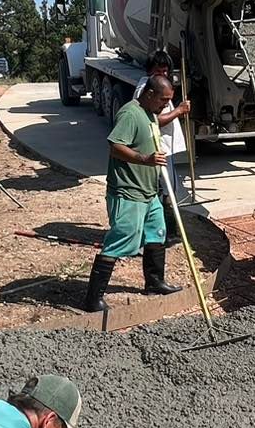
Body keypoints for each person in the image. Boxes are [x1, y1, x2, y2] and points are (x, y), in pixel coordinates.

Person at [83, 74, 181, 312]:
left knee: (157, 235)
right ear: (149, 94)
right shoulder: (130, 114)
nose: (165, 104)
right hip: (129, 191)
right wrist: (143, 159)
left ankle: (155, 282)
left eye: (169, 100)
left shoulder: (150, 114)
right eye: (163, 100)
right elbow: (115, 146)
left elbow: (158, 124)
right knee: (122, 238)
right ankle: (93, 298)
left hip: (149, 193)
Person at [133, 49, 193, 242]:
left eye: (166, 71)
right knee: (165, 190)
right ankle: (162, 233)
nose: (164, 75)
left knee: (169, 189)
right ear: (151, 70)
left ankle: (164, 231)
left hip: (165, 147)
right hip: (157, 147)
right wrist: (179, 111)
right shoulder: (147, 89)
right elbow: (154, 120)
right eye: (160, 71)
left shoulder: (156, 85)